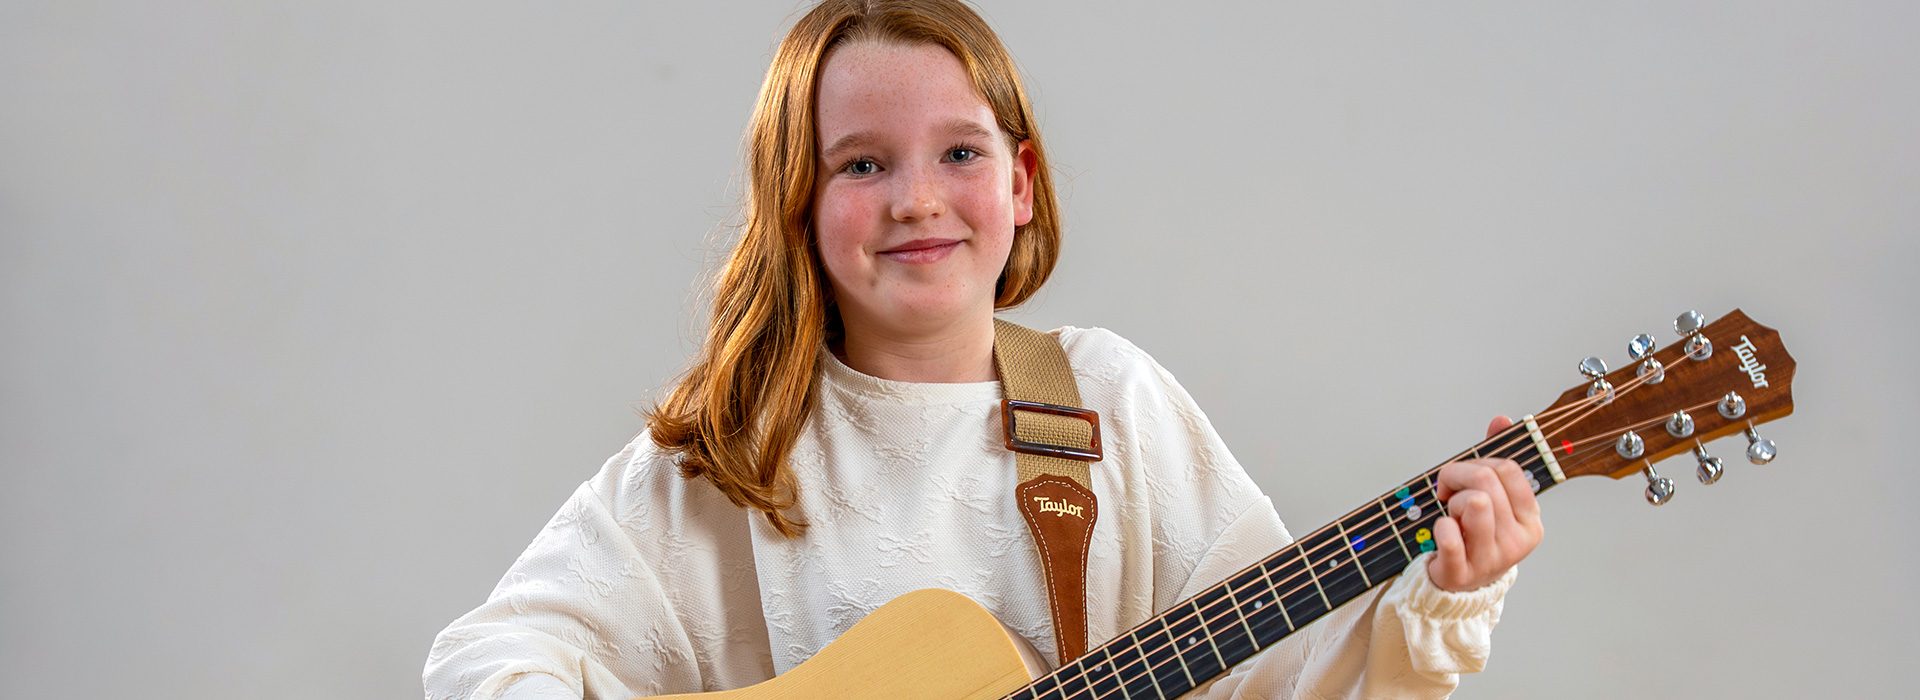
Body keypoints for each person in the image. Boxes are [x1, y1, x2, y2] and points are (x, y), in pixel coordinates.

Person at [423, 1, 1543, 698]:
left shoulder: (1106, 402)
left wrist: (1440, 597)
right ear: (798, 203)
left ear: (1020, 181)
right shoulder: (740, 446)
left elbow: (1271, 680)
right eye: (861, 165)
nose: (917, 200)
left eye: (958, 152)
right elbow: (486, 659)